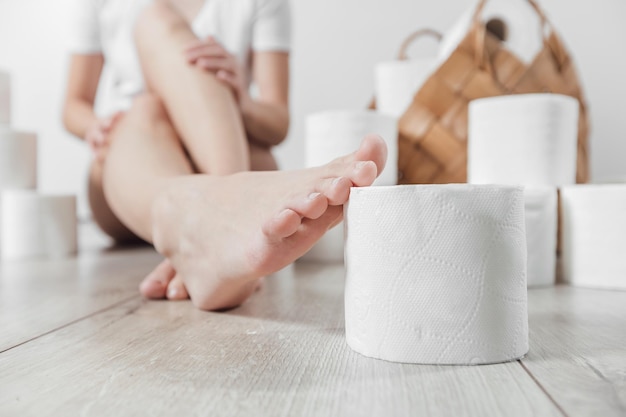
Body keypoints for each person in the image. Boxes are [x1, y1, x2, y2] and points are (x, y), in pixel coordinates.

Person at [62, 0, 387, 311]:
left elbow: (276, 122)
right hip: (136, 152)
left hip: (216, 149)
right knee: (151, 61)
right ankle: (227, 219)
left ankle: (202, 231)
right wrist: (96, 126)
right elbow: (72, 105)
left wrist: (240, 100)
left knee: (262, 160)